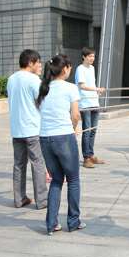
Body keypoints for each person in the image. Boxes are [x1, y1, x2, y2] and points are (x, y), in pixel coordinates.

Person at [37, 54, 85, 235]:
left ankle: (51, 224)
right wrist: (73, 128)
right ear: (65, 68)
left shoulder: (43, 88)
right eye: (70, 68)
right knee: (73, 179)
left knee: (56, 180)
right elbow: (76, 115)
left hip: (45, 139)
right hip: (64, 136)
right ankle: (73, 221)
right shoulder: (70, 88)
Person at [6, 49, 49, 209]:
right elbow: (42, 102)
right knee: (38, 163)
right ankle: (42, 200)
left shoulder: (11, 79)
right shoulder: (33, 80)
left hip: (16, 129)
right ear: (30, 63)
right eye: (38, 62)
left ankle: (19, 199)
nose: (40, 65)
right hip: (32, 129)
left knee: (19, 164)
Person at [75, 47, 106, 169]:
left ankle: (91, 154)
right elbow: (82, 86)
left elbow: (91, 84)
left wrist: (96, 92)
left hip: (94, 102)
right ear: (84, 57)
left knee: (93, 130)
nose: (92, 58)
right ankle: (86, 158)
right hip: (85, 104)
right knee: (87, 131)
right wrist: (96, 89)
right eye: (90, 56)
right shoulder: (80, 69)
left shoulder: (92, 68)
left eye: (93, 56)